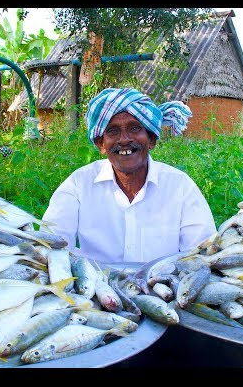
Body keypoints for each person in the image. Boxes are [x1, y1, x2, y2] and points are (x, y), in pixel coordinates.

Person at [42, 87, 217, 263]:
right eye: (112, 131)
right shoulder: (78, 185)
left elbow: (200, 255)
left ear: (152, 139)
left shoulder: (180, 187)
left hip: (165, 287)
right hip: (96, 286)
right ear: (101, 144)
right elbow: (52, 246)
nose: (124, 139)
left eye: (134, 128)